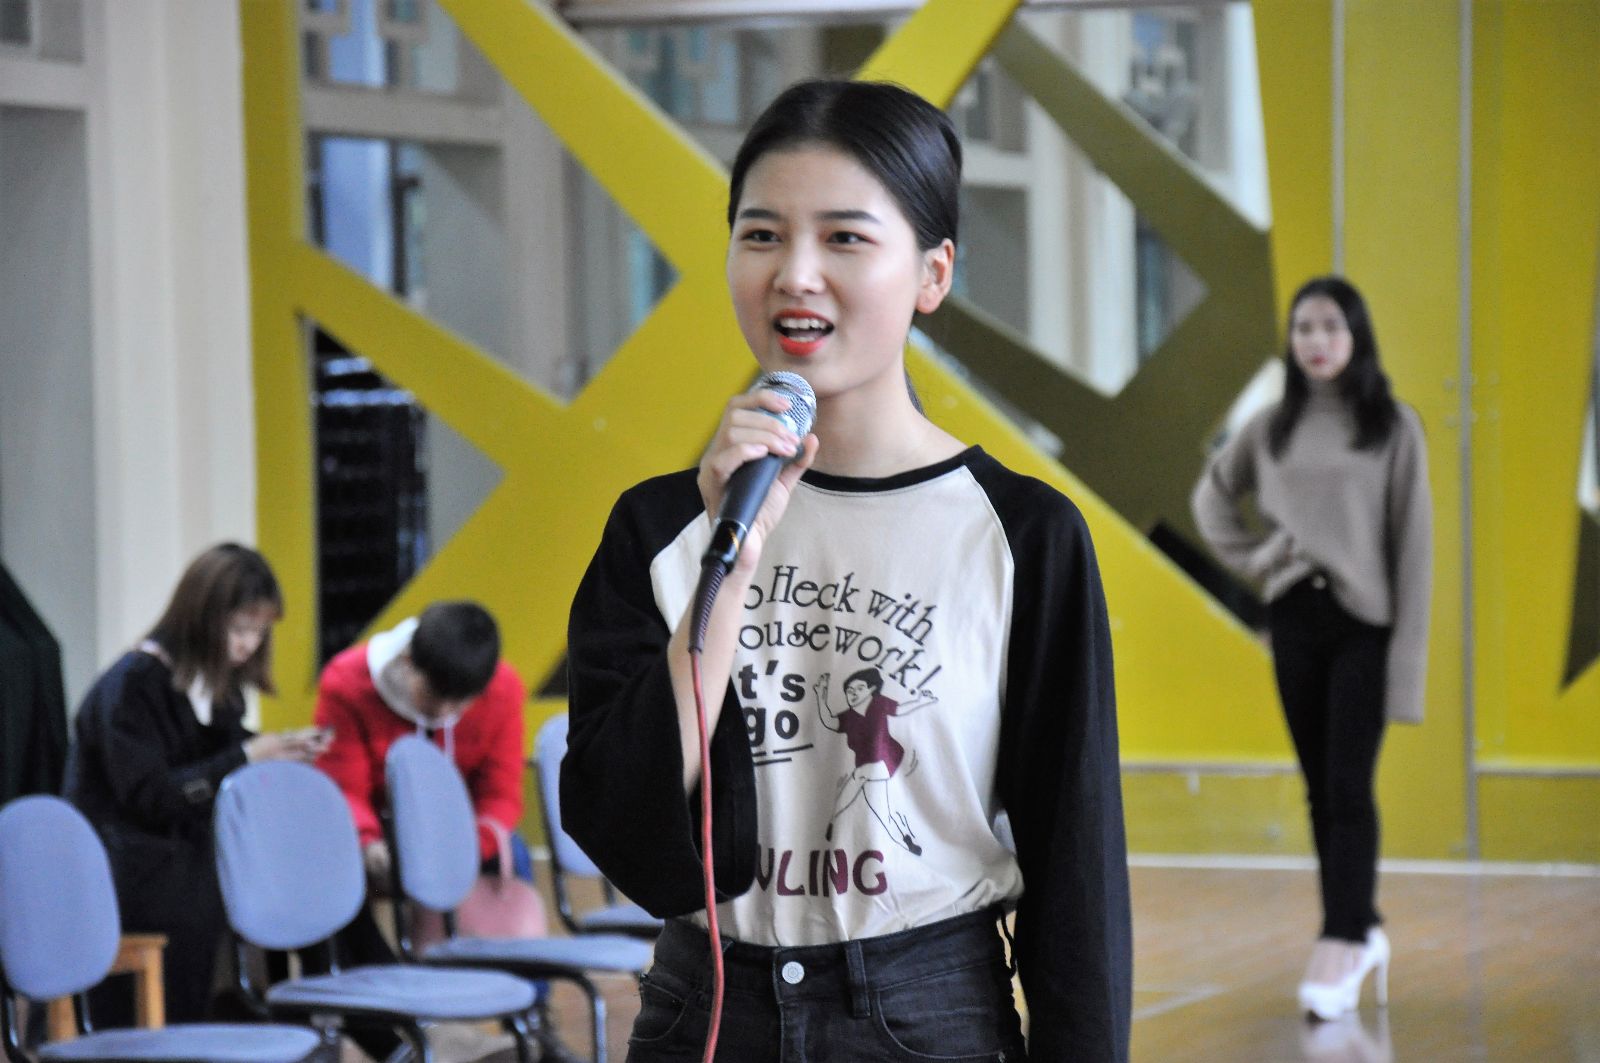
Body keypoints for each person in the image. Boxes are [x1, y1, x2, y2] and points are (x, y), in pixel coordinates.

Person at [565, 79, 1131, 1061]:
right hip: (704, 1011)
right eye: (761, 235)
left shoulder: (1020, 536)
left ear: (932, 273)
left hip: (923, 1014)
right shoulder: (658, 528)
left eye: (844, 238)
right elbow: (619, 821)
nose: (795, 274)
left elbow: (1076, 871)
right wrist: (729, 558)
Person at [1191, 275, 1432, 1021]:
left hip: (1365, 626)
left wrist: (1406, 674)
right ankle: (1359, 923)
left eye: (1331, 326)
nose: (1317, 341)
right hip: (1295, 619)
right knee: (1319, 787)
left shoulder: (1393, 426)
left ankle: (1344, 935)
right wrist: (1261, 558)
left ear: (1356, 335)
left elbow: (1415, 551)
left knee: (1349, 785)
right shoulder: (1272, 426)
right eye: (1304, 328)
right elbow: (1212, 496)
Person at [63, 543, 330, 1024]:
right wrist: (248, 755)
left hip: (184, 868)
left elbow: (214, 752)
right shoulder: (132, 687)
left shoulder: (217, 690)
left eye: (259, 632)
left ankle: (314, 1020)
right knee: (199, 906)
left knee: (303, 871)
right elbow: (154, 797)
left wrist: (282, 749)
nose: (249, 645)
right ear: (202, 618)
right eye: (240, 629)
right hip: (124, 875)